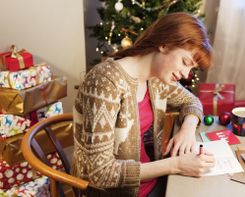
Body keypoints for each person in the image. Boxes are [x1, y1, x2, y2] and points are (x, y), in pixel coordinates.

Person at [71, 12, 214, 197]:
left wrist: (188, 128)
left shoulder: (156, 78)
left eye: (191, 68)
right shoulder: (105, 82)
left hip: (152, 182)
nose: (186, 74)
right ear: (164, 44)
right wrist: (176, 165)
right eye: (185, 62)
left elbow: (191, 101)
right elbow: (100, 173)